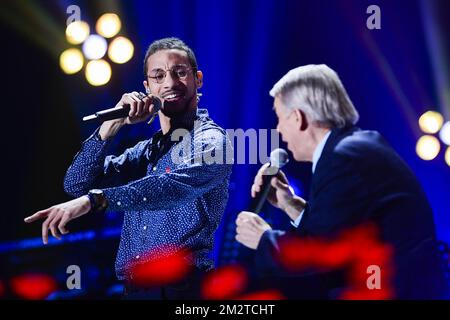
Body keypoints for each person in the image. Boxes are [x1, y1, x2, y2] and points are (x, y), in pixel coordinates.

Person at [25, 37, 232, 299]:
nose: (169, 83)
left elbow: (171, 187)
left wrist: (94, 201)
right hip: (134, 289)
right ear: (147, 87)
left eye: (180, 73)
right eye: (158, 76)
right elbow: (76, 183)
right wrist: (109, 128)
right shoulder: (145, 151)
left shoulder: (212, 141)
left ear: (197, 79)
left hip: (183, 289)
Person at [235, 64, 448, 299]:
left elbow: (321, 260)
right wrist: (290, 204)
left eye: (279, 117)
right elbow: (337, 234)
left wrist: (264, 239)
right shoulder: (355, 146)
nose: (278, 129)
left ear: (298, 118)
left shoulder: (342, 158)